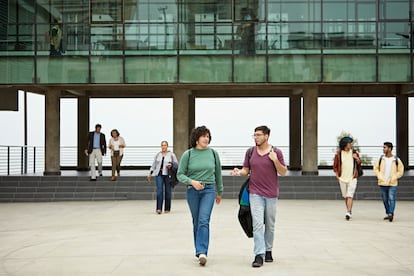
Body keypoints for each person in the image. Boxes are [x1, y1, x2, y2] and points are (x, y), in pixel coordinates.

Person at [231, 125, 287, 268]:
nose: (256, 137)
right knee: (257, 225)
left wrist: (275, 160)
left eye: (258, 135)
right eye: (254, 135)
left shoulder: (277, 152)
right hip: (255, 193)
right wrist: (238, 171)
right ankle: (259, 255)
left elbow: (283, 172)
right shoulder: (250, 152)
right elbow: (246, 170)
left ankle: (268, 250)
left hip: (271, 194)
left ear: (266, 136)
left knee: (270, 225)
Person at [177, 126, 223, 266]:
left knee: (204, 220)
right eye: (204, 136)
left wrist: (219, 192)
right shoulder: (188, 154)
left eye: (208, 136)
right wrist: (192, 182)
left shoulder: (213, 154)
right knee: (196, 221)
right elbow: (180, 174)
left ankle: (202, 251)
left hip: (209, 190)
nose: (206, 138)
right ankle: (198, 250)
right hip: (192, 191)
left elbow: (218, 174)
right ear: (197, 138)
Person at [373, 142, 404, 222]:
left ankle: (391, 213)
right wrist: (379, 176)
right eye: (383, 147)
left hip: (392, 183)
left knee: (392, 198)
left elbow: (401, 171)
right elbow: (375, 168)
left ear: (390, 149)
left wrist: (394, 177)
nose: (383, 149)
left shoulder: (396, 160)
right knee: (384, 199)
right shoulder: (380, 159)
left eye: (385, 147)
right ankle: (388, 213)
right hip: (383, 182)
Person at [333, 136, 362, 221]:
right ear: (345, 144)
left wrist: (356, 158)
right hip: (342, 178)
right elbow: (335, 166)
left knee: (350, 195)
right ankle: (349, 210)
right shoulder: (338, 154)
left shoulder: (354, 153)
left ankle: (348, 212)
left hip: (352, 178)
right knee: (345, 196)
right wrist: (337, 176)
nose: (351, 145)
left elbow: (360, 163)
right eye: (350, 143)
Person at [147, 141, 178, 214]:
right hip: (159, 174)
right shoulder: (158, 155)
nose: (163, 147)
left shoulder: (171, 155)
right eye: (162, 145)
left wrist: (171, 165)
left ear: (167, 146)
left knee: (168, 191)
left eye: (165, 145)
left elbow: (176, 164)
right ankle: (159, 208)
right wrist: (150, 173)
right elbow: (154, 165)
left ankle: (167, 208)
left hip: (168, 174)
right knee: (159, 191)